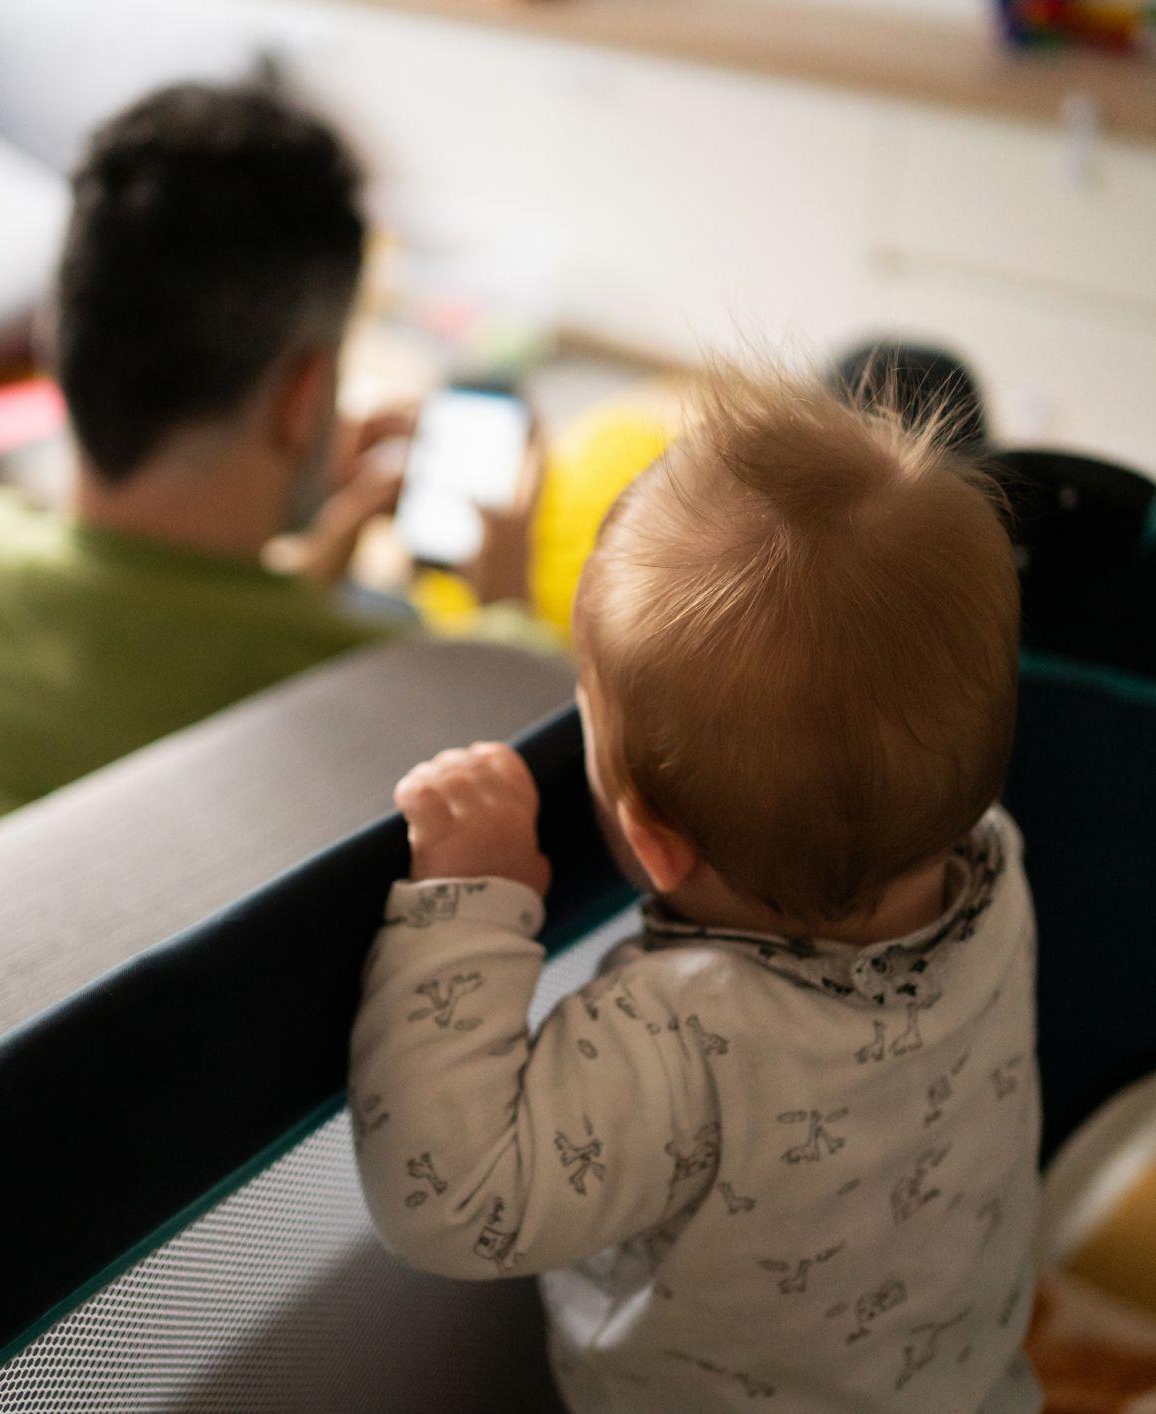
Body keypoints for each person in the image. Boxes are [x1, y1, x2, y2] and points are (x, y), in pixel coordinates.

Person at [348, 369, 1040, 1411]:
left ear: (650, 842)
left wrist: (470, 902)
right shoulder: (996, 865)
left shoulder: (676, 1035)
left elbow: (448, 1197)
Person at [0, 82, 526, 826]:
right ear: (303, 400)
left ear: (56, 340)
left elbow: (160, 623)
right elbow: (537, 722)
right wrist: (507, 610)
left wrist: (312, 563)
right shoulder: (405, 691)